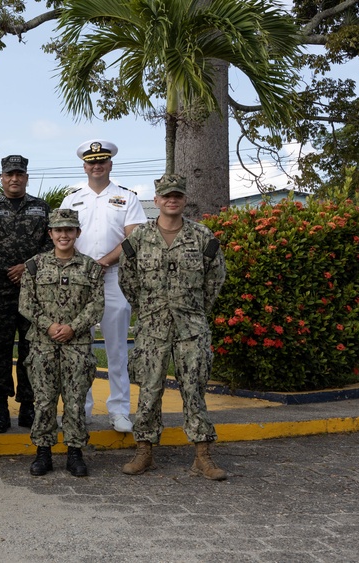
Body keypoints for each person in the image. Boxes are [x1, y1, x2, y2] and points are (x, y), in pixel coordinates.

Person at [118, 174, 228, 481]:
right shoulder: (139, 238)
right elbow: (127, 279)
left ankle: (203, 456)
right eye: (166, 196)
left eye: (177, 195)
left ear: (183, 199)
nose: (172, 200)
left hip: (191, 326)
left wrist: (195, 310)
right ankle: (144, 452)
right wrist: (146, 309)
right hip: (152, 326)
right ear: (156, 201)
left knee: (194, 389)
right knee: (149, 390)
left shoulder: (202, 236)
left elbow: (215, 278)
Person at [60, 140, 147, 434]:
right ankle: (80, 410)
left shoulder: (126, 197)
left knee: (117, 348)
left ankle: (119, 410)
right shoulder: (71, 199)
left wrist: (105, 262)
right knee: (79, 349)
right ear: (84, 166)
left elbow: (133, 238)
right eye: (91, 162)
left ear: (110, 165)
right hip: (79, 281)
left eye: (102, 161)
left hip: (114, 278)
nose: (96, 166)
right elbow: (62, 236)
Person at [19, 208, 104, 477]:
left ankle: (75, 452)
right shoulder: (34, 265)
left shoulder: (90, 267)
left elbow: (96, 305)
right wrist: (50, 326)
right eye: (58, 230)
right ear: (50, 234)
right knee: (44, 400)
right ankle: (43, 452)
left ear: (77, 233)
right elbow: (26, 304)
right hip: (43, 344)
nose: (64, 235)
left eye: (69, 230)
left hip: (77, 345)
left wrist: (73, 327)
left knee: (75, 400)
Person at [0, 155, 51, 433]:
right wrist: (8, 268)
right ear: (1, 178)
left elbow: (50, 243)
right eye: (9, 175)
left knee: (31, 349)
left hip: (33, 291)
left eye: (19, 174)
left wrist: (26, 267)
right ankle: (1, 408)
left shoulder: (41, 208)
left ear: (26, 178)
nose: (14, 179)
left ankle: (27, 405)